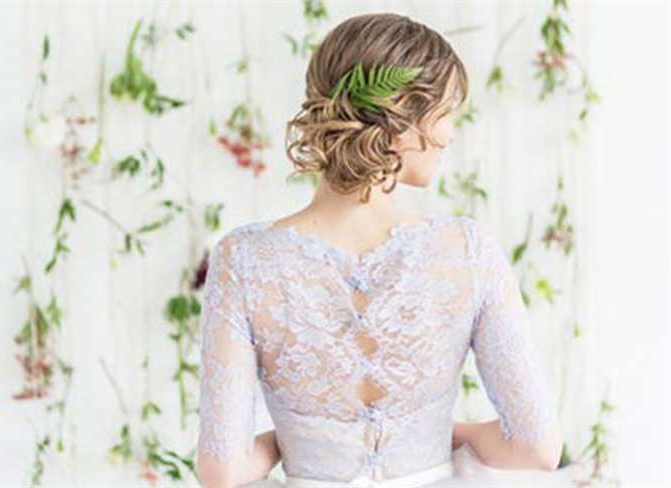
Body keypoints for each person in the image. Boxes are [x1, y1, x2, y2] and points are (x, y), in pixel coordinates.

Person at [196, 12, 568, 488]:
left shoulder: (244, 260)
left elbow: (222, 472)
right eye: (446, 112)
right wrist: (441, 435)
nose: (451, 132)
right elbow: (536, 448)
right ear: (403, 116)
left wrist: (289, 439)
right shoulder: (467, 251)